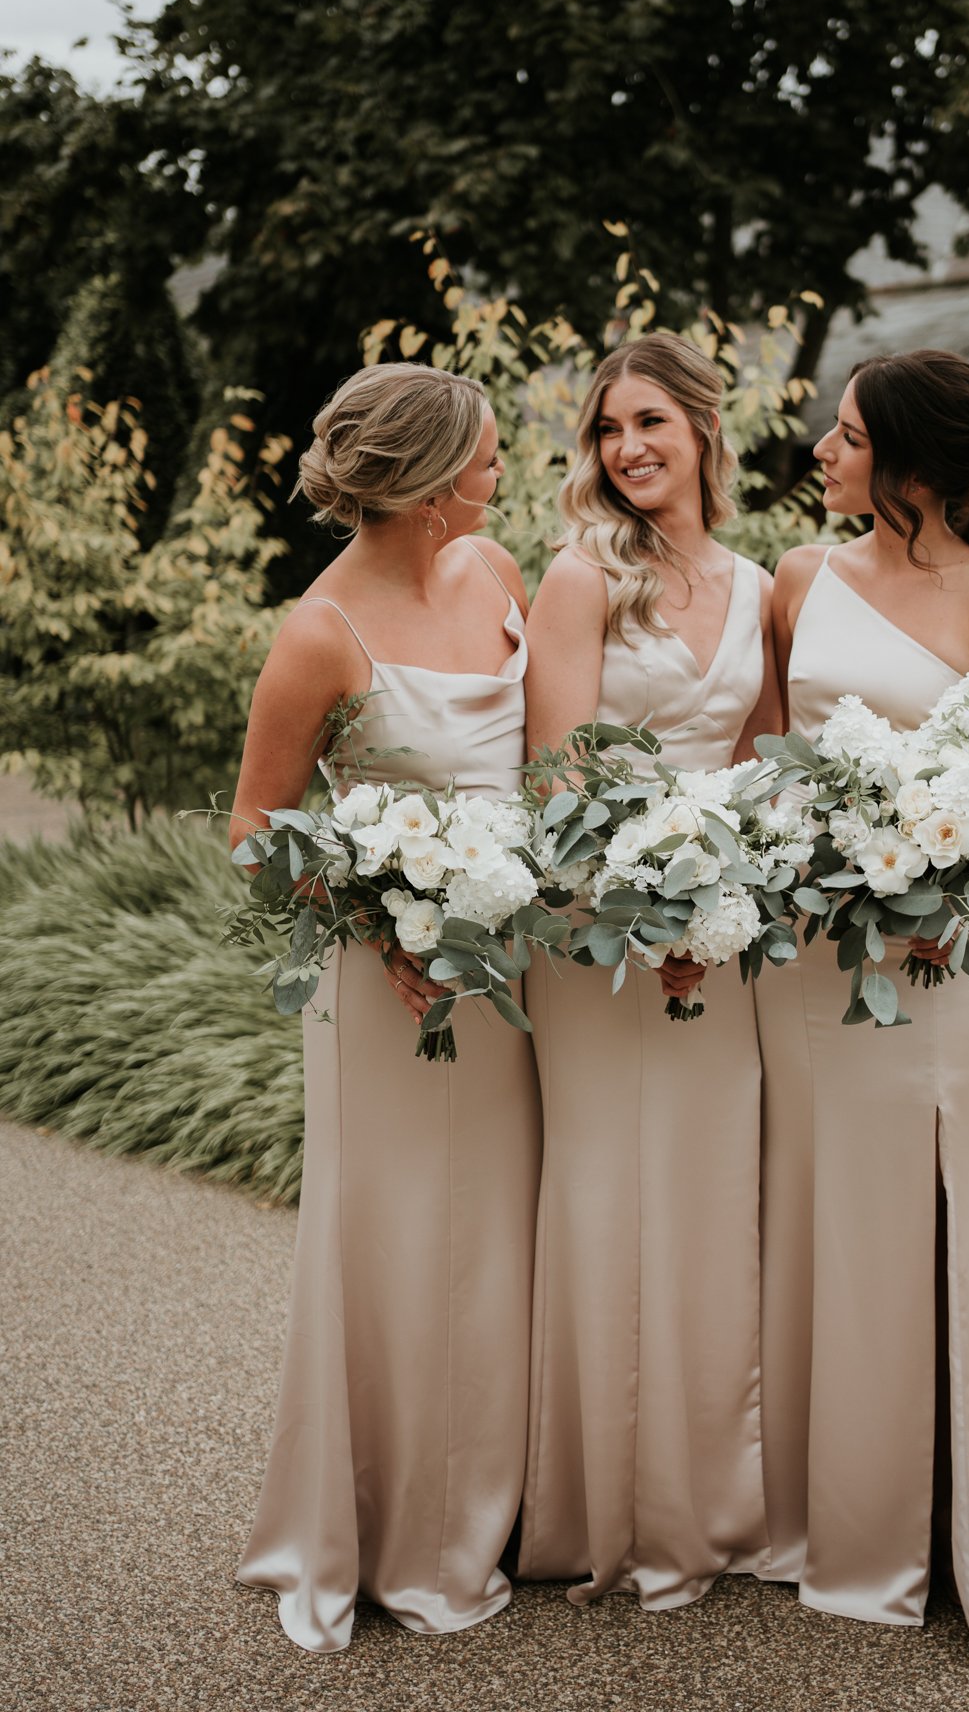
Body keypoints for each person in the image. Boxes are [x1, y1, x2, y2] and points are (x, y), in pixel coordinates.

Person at [755, 349, 969, 1663]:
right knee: (804, 1204)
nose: (820, 457)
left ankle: (919, 1522)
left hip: (933, 967)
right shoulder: (796, 577)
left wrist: (943, 903)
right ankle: (807, 1512)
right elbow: (773, 756)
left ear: (908, 465)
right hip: (801, 956)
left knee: (914, 1213)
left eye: (842, 439)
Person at [231, 362, 540, 1651]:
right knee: (396, 1243)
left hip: (510, 975)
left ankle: (496, 1505)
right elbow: (255, 830)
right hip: (383, 988)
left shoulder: (499, 572)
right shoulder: (318, 631)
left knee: (501, 1237)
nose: (499, 469)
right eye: (480, 453)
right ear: (423, 484)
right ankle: (381, 1525)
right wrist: (375, 917)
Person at [515, 332, 782, 1609]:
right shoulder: (579, 577)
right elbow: (557, 771)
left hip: (721, 935)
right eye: (608, 429)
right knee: (602, 1186)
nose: (626, 449)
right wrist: (646, 900)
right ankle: (591, 1505)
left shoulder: (762, 578)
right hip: (594, 935)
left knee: (709, 1192)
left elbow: (772, 759)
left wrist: (716, 897)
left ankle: (705, 1497)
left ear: (701, 431)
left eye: (649, 424)